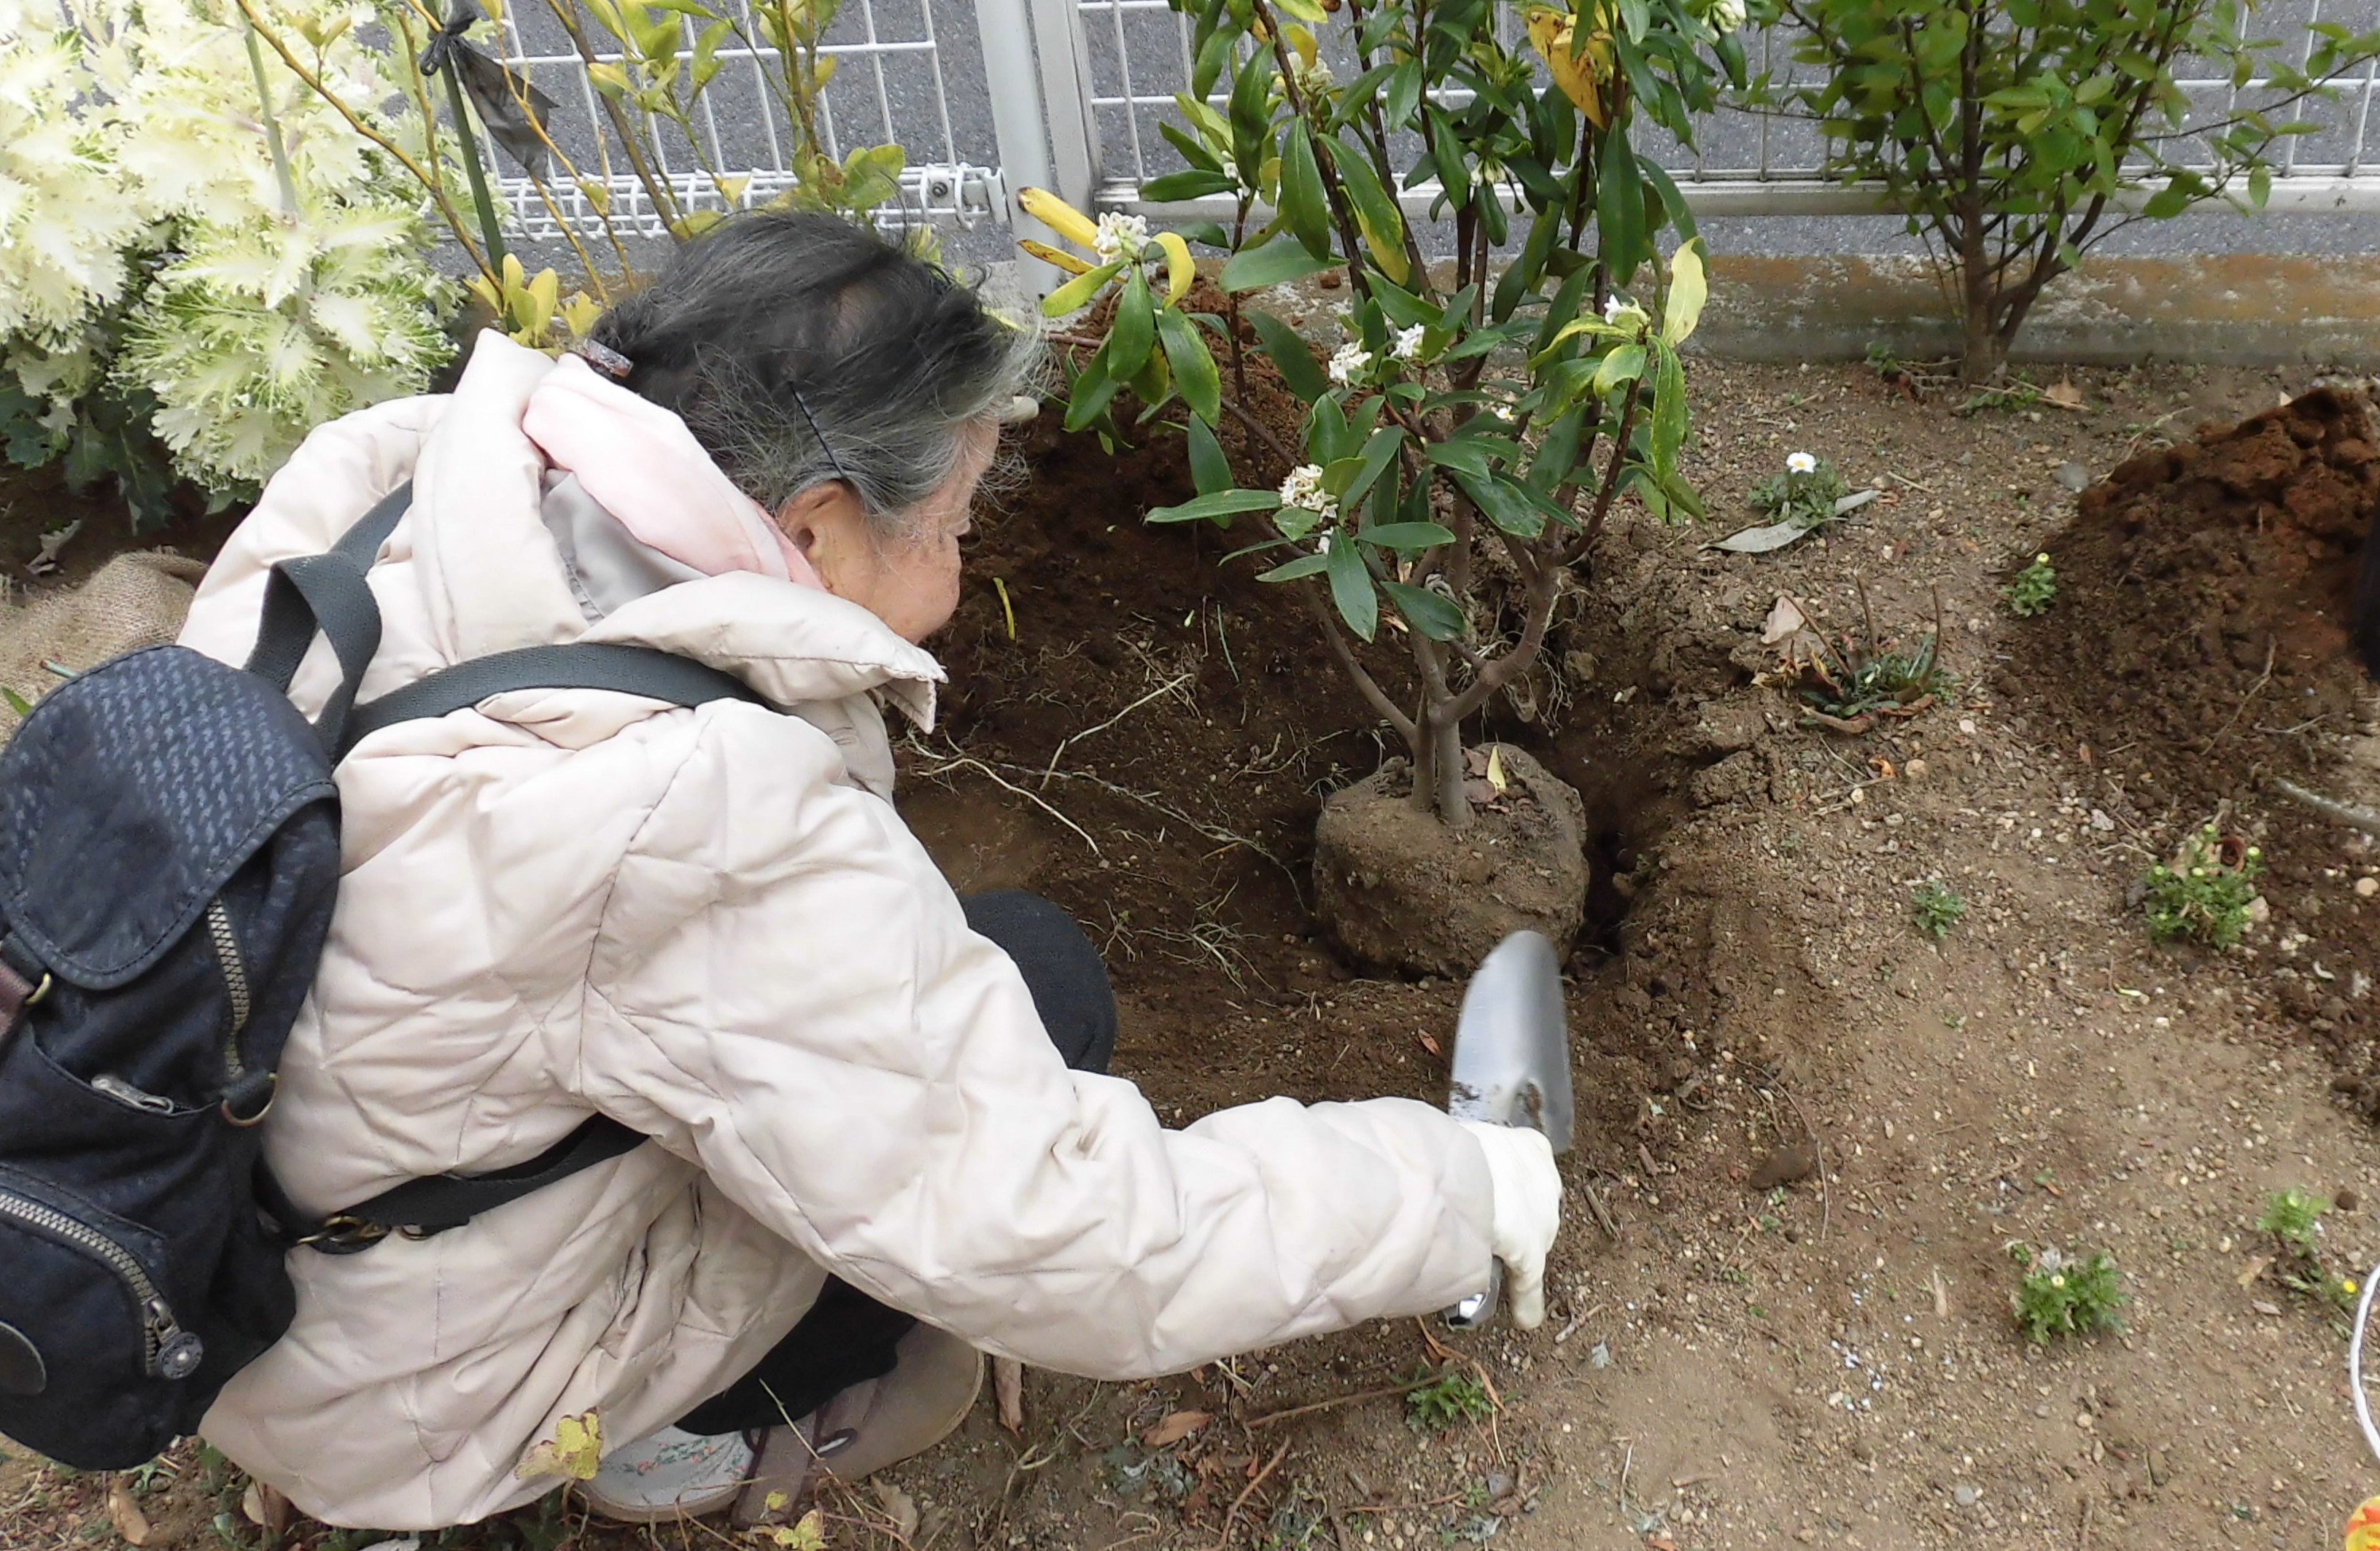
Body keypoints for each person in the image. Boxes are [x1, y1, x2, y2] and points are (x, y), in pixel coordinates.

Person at [179, 211, 1561, 1531]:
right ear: (822, 526)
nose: (962, 560)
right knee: (1035, 982)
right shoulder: (685, 806)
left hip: (212, 1248)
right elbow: (1055, 1228)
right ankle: (666, 1440)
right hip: (409, 1397)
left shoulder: (398, 485)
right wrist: (1457, 1194)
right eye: (954, 523)